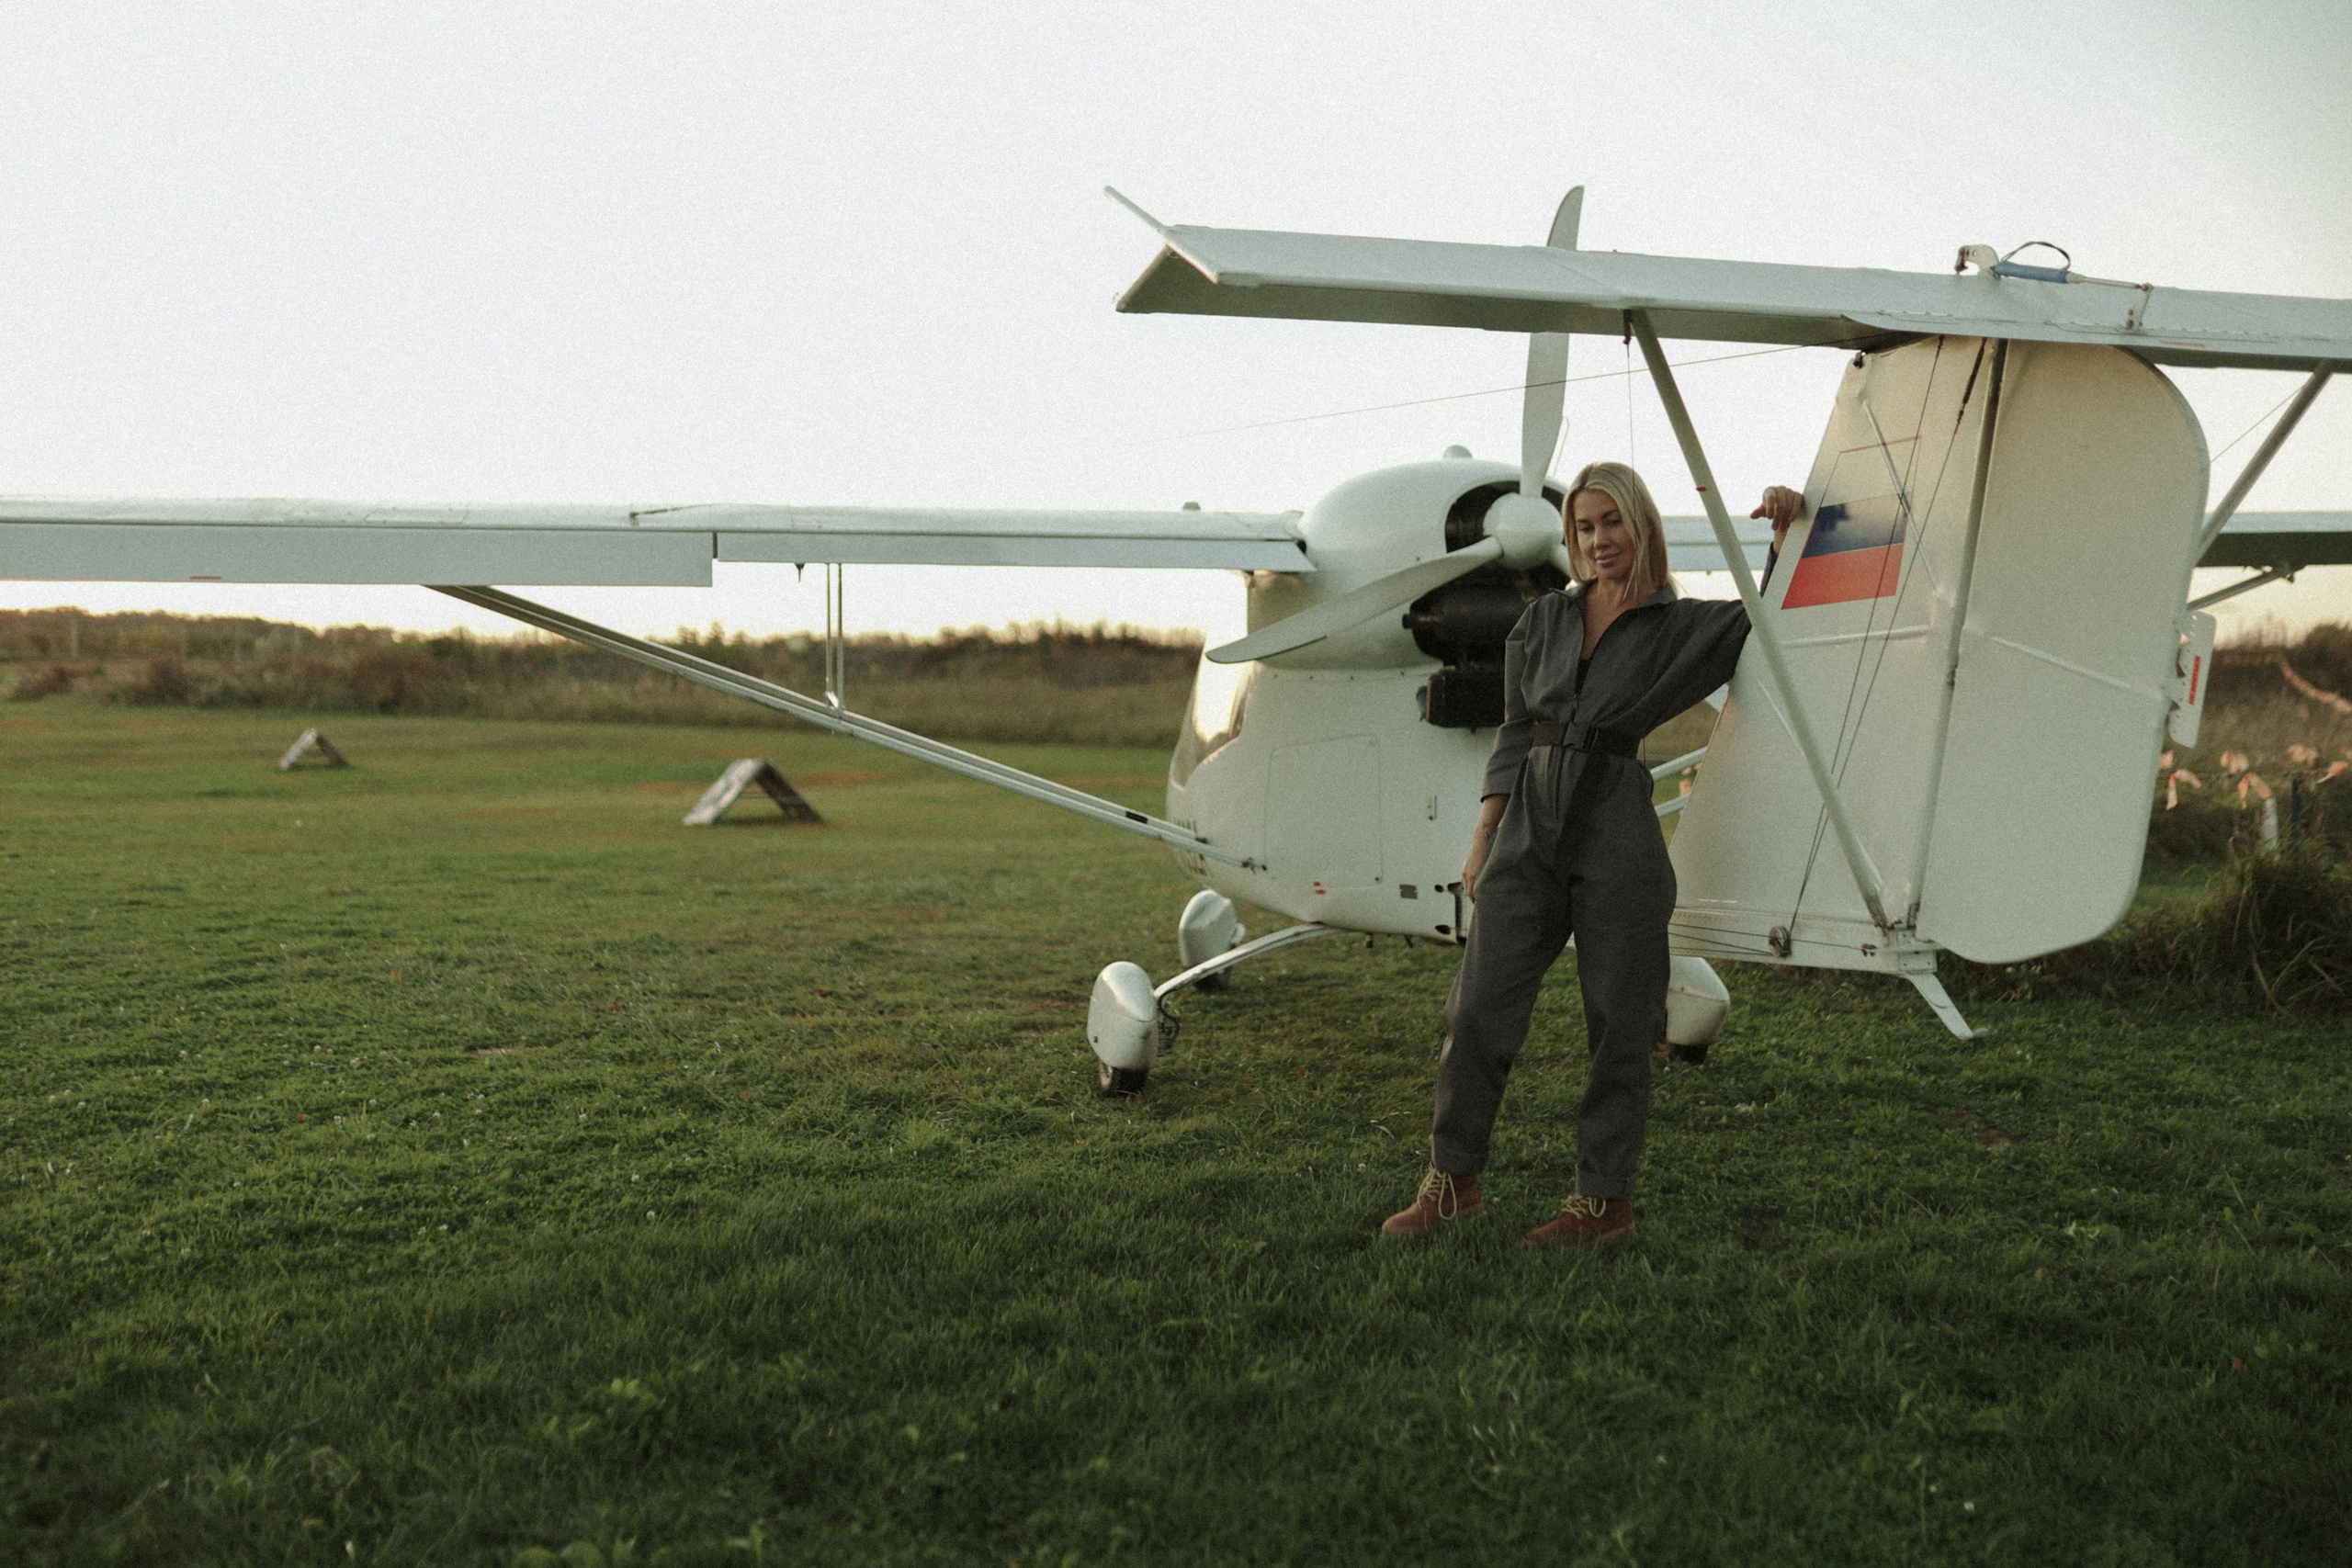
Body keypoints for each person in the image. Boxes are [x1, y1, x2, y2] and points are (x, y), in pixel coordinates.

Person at [1381, 461, 1802, 1246]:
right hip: (1527, 823)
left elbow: (1774, 622)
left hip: (1616, 823)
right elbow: (1514, 733)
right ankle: (1451, 1183)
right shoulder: (1541, 620)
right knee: (1476, 1009)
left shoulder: (1683, 626)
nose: (1597, 539)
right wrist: (1484, 837)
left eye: (1612, 522)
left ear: (1640, 525)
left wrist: (1785, 536)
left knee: (1619, 1019)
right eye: (1584, 527)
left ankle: (1604, 1204)